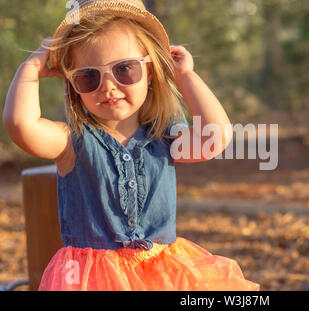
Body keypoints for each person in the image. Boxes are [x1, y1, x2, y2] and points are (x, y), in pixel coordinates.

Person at [3, 0, 259, 291]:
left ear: (150, 71)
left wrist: (186, 77)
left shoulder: (165, 137)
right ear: (73, 85)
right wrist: (32, 67)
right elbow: (20, 125)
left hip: (161, 275)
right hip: (91, 280)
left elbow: (215, 137)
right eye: (88, 76)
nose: (108, 86)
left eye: (124, 69)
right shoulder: (71, 142)